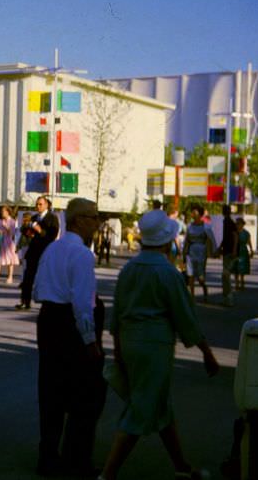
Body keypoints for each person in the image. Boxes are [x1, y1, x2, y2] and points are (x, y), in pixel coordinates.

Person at [98, 209, 219, 480]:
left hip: (129, 341)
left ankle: (181, 466)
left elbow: (117, 312)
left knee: (159, 404)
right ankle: (107, 474)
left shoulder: (129, 269)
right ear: (167, 241)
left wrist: (117, 348)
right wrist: (206, 352)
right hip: (155, 345)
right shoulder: (168, 273)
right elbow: (185, 317)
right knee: (142, 408)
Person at [33, 198, 105, 477]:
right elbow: (82, 301)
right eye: (93, 217)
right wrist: (90, 340)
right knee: (84, 395)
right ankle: (77, 460)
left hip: (49, 319)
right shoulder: (82, 254)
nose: (97, 223)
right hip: (70, 324)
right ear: (78, 220)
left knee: (50, 390)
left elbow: (39, 287)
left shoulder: (53, 249)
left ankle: (48, 456)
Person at [18, 196, 59, 309]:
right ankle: (25, 301)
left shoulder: (52, 218)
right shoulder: (35, 217)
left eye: (40, 204)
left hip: (46, 251)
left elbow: (52, 235)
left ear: (46, 205)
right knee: (28, 277)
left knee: (46, 278)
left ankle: (49, 303)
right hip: (33, 251)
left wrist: (40, 230)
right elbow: (24, 229)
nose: (38, 206)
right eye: (37, 204)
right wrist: (28, 231)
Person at [182, 205, 215, 303]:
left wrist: (211, 252)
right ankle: (191, 296)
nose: (193, 214)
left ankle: (204, 289)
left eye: (195, 212)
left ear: (200, 214)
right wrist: (184, 253)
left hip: (201, 251)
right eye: (192, 212)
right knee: (190, 274)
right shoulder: (189, 226)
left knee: (200, 276)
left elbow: (211, 239)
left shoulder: (206, 226)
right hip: (191, 251)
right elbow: (186, 240)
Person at [217, 204, 238, 307]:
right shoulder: (227, 222)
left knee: (226, 274)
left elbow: (235, 236)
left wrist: (234, 250)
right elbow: (224, 237)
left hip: (229, 251)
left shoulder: (228, 222)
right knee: (225, 275)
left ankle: (229, 297)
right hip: (227, 250)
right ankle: (226, 297)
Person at [0, 206, 19, 284]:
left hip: (10, 243)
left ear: (7, 212)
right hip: (2, 241)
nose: (2, 213)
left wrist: (6, 228)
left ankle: (10, 277)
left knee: (10, 261)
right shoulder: (0, 221)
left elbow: (12, 233)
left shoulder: (13, 221)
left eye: (3, 211)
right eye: (1, 211)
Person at [232, 218, 253, 291]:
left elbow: (249, 242)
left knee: (242, 267)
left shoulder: (246, 233)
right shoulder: (234, 233)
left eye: (239, 223)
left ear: (243, 224)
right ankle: (237, 284)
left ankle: (242, 283)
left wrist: (251, 250)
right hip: (235, 250)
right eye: (237, 223)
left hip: (243, 251)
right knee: (236, 268)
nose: (238, 225)